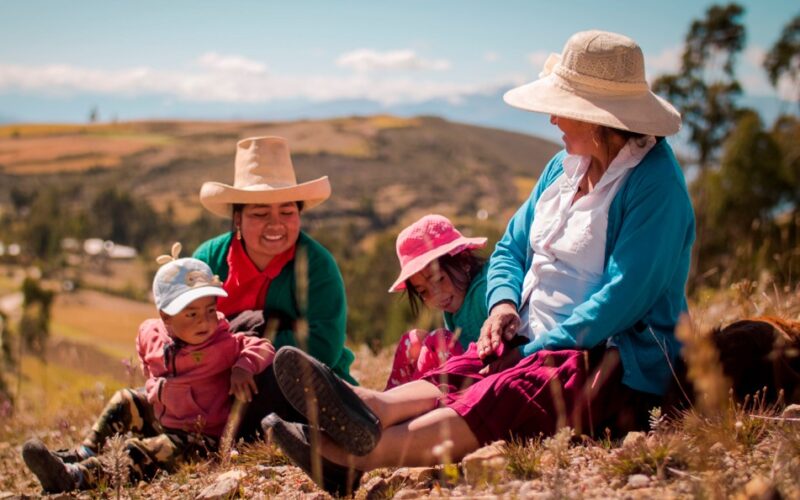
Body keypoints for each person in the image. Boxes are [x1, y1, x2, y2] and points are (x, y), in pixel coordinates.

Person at [264, 29, 696, 496]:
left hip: (613, 357)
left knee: (507, 389)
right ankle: (374, 406)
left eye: (563, 107)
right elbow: (511, 247)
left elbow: (625, 296)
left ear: (597, 118)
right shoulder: (563, 167)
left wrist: (531, 350)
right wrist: (503, 307)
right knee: (470, 363)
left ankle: (355, 456)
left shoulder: (655, 184)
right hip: (536, 332)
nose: (552, 118)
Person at [46, 135, 355, 465]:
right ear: (237, 218)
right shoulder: (210, 257)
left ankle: (108, 466)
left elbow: (324, 346)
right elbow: (181, 324)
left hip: (294, 388)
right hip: (210, 385)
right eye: (260, 213)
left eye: (287, 211)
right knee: (137, 403)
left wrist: (240, 356)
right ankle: (79, 457)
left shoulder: (317, 266)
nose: (275, 223)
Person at [22, 254, 274, 493]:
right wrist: (148, 372)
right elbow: (143, 340)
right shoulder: (154, 332)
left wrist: (243, 367)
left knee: (137, 451)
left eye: (210, 310)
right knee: (125, 400)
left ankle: (74, 476)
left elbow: (263, 346)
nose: (205, 321)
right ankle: (85, 451)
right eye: (192, 314)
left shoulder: (223, 343)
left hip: (200, 439)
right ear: (166, 317)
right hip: (161, 416)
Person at [385, 214, 488, 389]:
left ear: (464, 261)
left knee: (438, 341)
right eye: (423, 291)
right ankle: (387, 400)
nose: (435, 296)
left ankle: (410, 403)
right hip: (460, 374)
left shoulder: (485, 292)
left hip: (486, 383)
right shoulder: (455, 300)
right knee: (412, 341)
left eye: (439, 280)